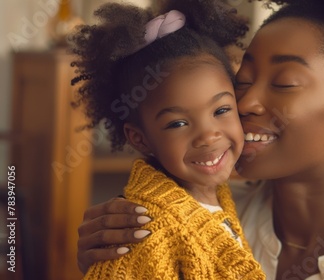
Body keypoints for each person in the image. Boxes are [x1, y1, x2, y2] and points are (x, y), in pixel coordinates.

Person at [76, 0, 324, 279]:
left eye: (284, 83)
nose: (245, 102)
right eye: (241, 82)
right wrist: (115, 260)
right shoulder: (212, 214)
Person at [69, 0, 265, 279]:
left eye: (221, 110)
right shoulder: (148, 231)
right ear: (140, 139)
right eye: (178, 123)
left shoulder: (218, 196)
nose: (208, 135)